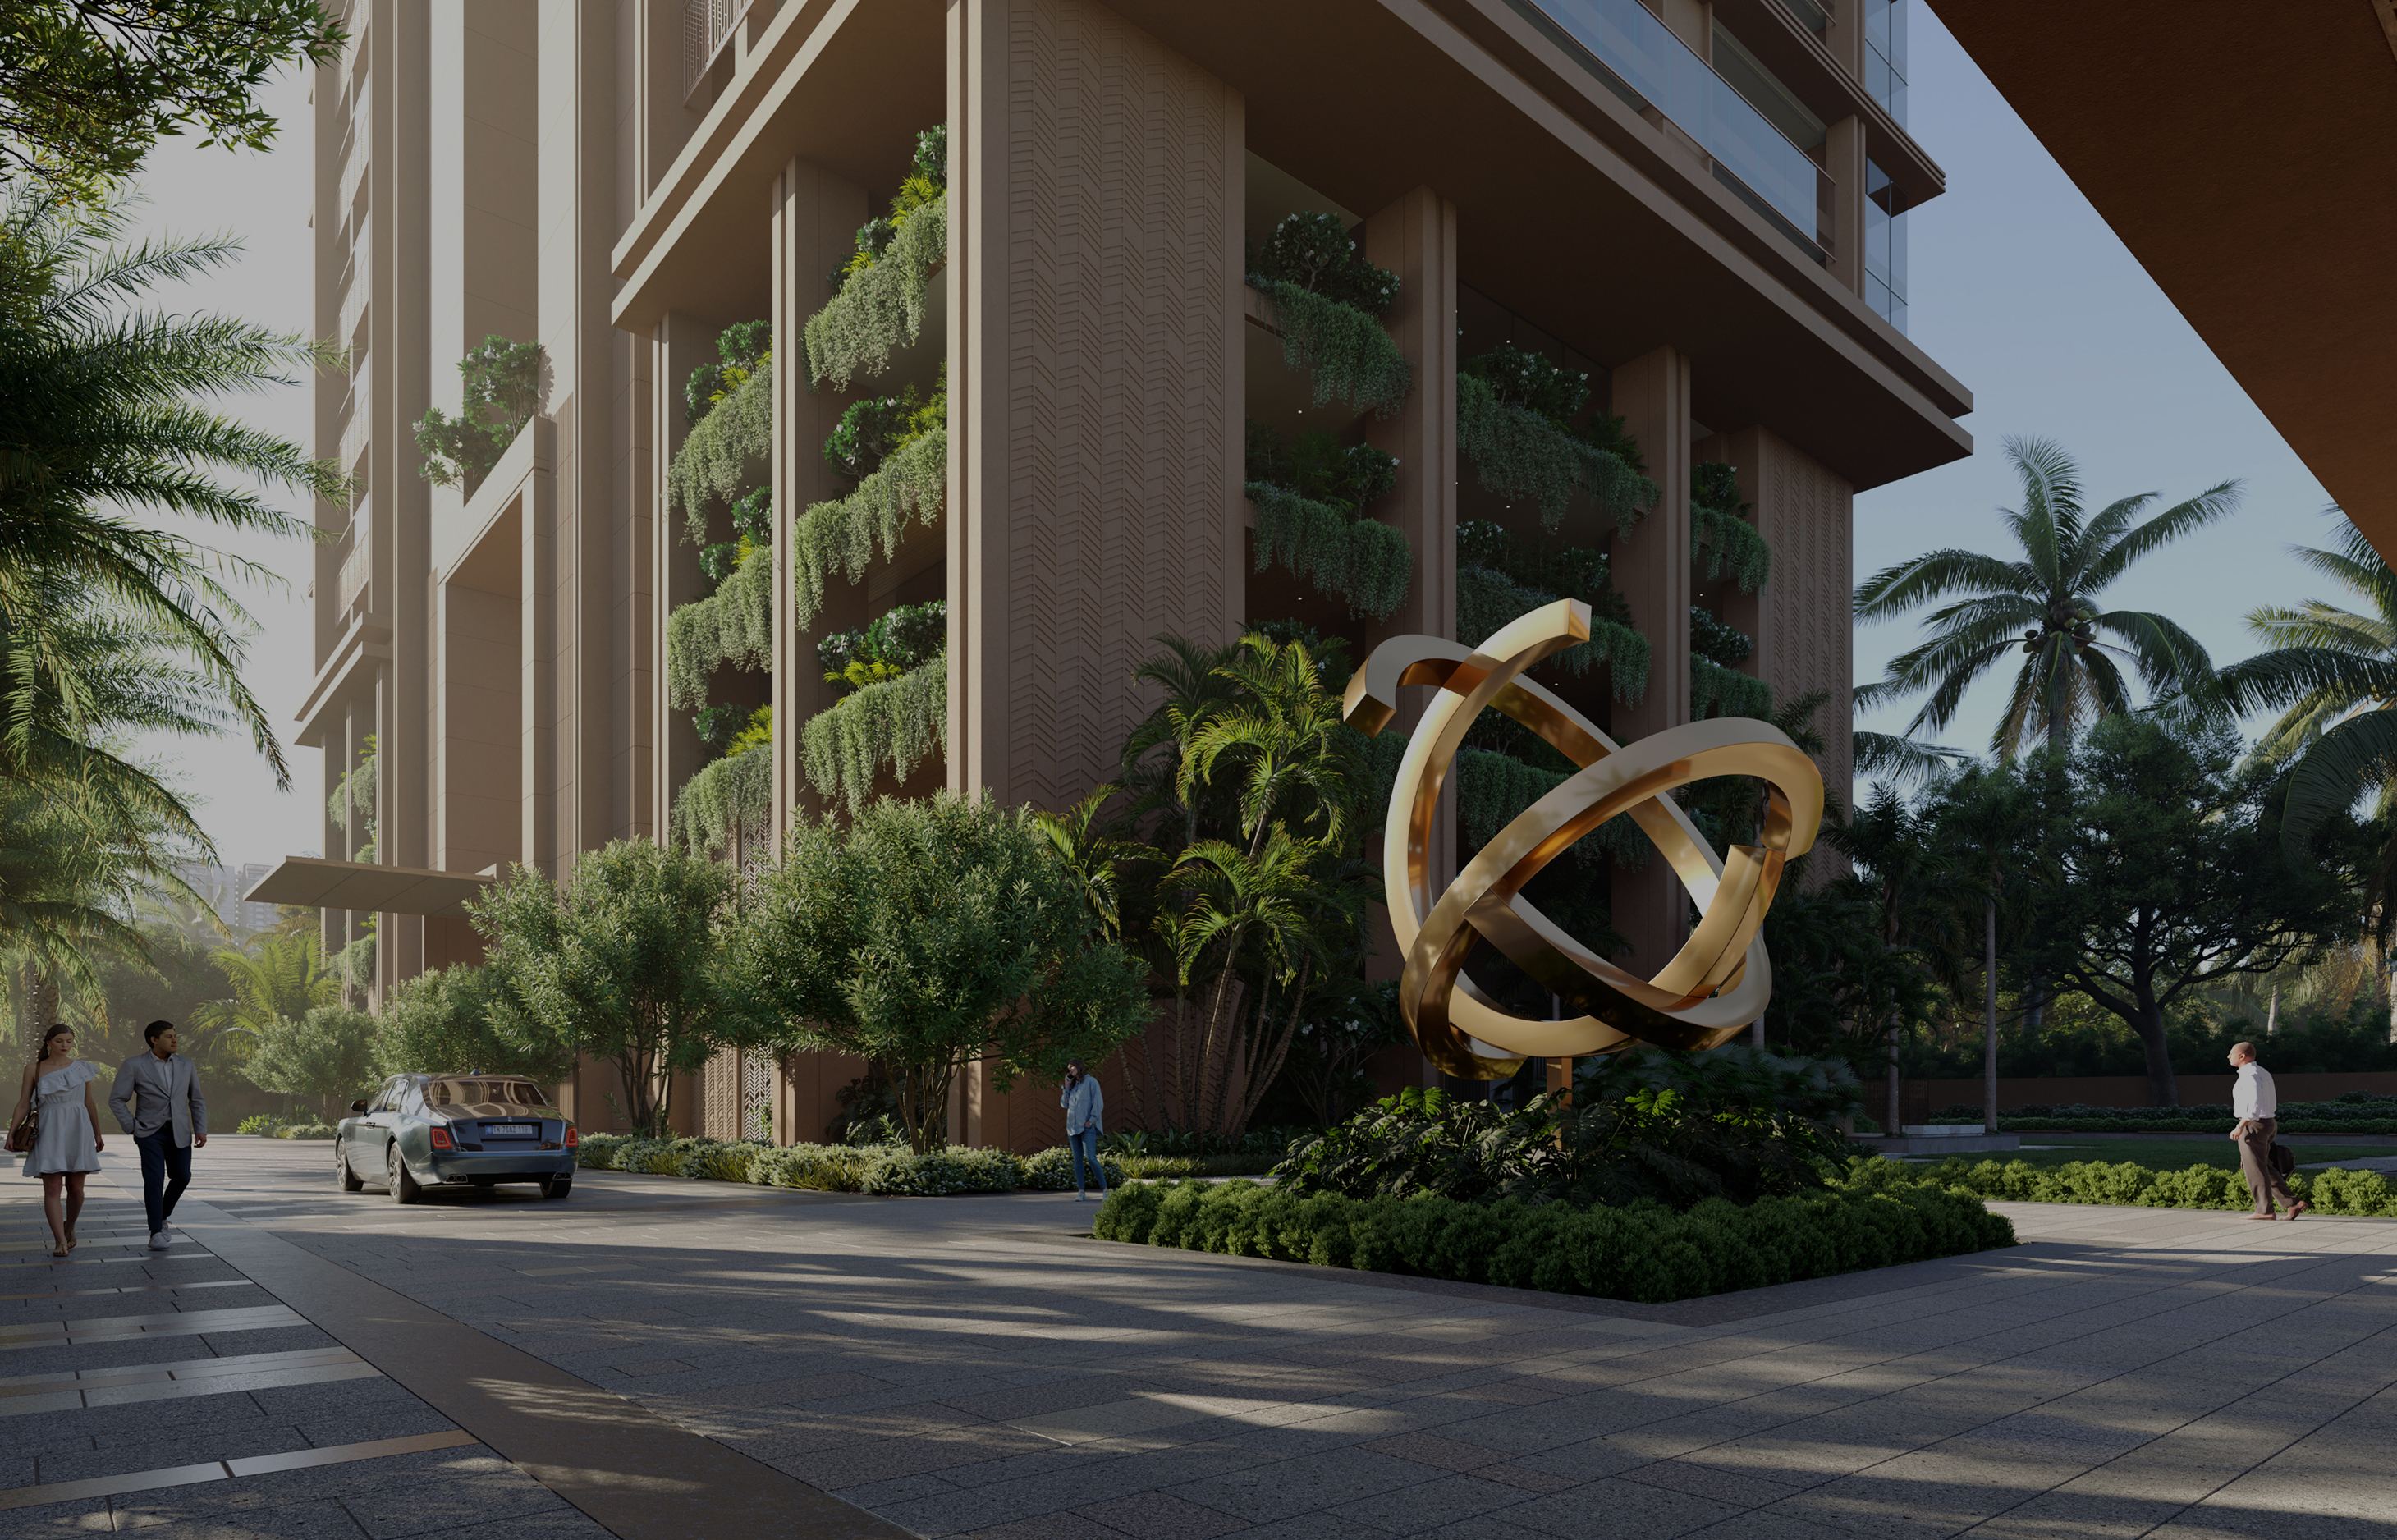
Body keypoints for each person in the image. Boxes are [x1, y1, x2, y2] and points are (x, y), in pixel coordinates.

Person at [110, 1020, 207, 1249]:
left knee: (182, 1176)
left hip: (179, 1131)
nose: (175, 1040)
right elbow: (117, 1099)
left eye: (175, 1035)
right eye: (168, 1036)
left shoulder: (186, 1064)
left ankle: (161, 1215)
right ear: (154, 1040)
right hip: (149, 1132)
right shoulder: (134, 1065)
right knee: (154, 1180)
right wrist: (132, 1126)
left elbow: (196, 1099)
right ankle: (155, 1232)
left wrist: (200, 1128)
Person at [11, 1025, 106, 1258]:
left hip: (78, 1128)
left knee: (76, 1189)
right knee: (52, 1187)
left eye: (69, 1041)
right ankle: (60, 1240)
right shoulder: (34, 1069)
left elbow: (89, 1102)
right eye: (60, 1041)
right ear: (48, 1043)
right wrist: (12, 1132)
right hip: (49, 1129)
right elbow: (23, 1103)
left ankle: (69, 1226)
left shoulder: (81, 1068)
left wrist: (97, 1133)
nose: (65, 1045)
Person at [2228, 1040, 2305, 1221]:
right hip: (2268, 1123)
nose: (2228, 1056)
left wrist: (2241, 1125)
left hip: (2254, 1125)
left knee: (2254, 1168)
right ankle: (2292, 1203)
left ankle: (2264, 1211)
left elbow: (2254, 1103)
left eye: (2231, 1053)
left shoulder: (2250, 1075)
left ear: (2242, 1056)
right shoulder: (2262, 1072)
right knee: (2261, 1165)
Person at [1059, 1061, 1107, 1201]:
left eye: (1072, 1067)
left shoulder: (1091, 1082)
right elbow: (1064, 1104)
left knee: (1091, 1158)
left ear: (1079, 1067)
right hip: (1072, 1128)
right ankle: (1081, 1192)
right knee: (1077, 1161)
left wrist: (1091, 1120)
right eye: (1068, 1068)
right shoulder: (1072, 1086)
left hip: (1087, 1127)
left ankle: (1105, 1190)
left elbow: (1098, 1103)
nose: (1070, 1070)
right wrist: (1066, 1087)